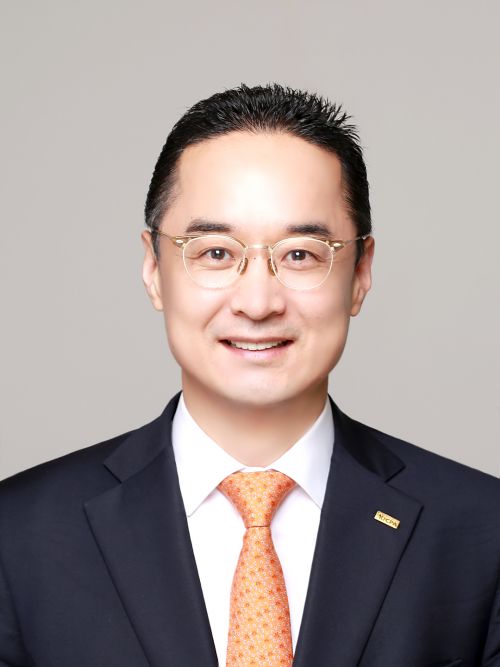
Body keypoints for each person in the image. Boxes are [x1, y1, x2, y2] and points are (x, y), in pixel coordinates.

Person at [0, 84, 499, 667]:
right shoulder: (19, 535)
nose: (258, 303)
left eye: (300, 254)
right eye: (215, 252)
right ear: (154, 269)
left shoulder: (480, 532)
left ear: (360, 274)